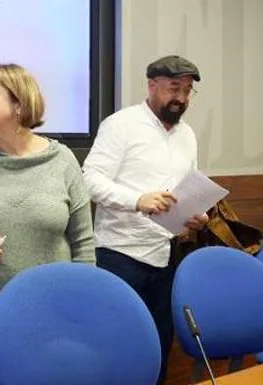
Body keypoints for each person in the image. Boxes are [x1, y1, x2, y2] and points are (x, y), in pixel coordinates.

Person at [0, 63, 95, 385]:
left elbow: (83, 244)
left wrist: (82, 302)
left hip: (51, 309)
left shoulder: (63, 161)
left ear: (19, 102)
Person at [82, 55, 209, 384]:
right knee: (117, 346)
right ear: (152, 86)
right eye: (173, 89)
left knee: (159, 345)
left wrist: (195, 215)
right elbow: (89, 180)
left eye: (187, 91)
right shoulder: (120, 125)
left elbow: (188, 186)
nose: (180, 98)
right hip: (121, 255)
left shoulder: (188, 135)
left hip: (168, 255)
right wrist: (136, 200)